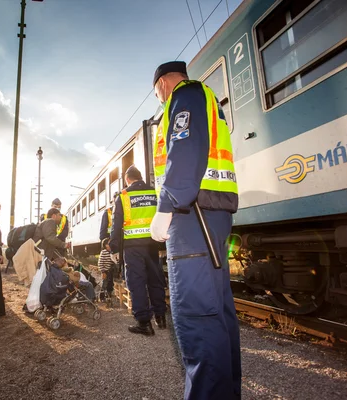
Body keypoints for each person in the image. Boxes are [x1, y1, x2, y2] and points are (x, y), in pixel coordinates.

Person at [149, 60, 241, 399]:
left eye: (157, 91)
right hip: (209, 215)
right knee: (217, 313)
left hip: (193, 216)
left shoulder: (184, 96)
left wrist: (167, 204)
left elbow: (184, 148)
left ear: (162, 83)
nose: (158, 98)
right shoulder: (204, 97)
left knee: (197, 316)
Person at [109, 165, 166, 336]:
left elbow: (116, 226)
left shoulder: (124, 196)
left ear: (127, 179)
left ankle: (144, 323)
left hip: (132, 247)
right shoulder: (155, 192)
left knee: (137, 283)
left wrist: (114, 248)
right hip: (153, 244)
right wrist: (163, 246)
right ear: (140, 177)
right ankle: (161, 317)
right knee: (156, 280)